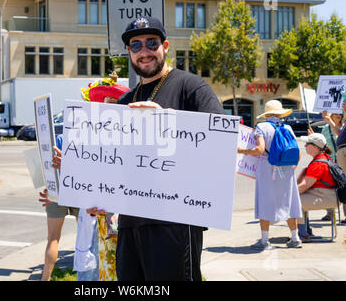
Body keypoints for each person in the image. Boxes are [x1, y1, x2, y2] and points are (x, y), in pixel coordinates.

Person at [98, 16, 226, 281]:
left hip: (176, 223)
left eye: (151, 43)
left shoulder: (191, 87)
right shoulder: (124, 102)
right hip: (130, 223)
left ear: (165, 46)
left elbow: (221, 143)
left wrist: (169, 121)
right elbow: (112, 163)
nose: (144, 51)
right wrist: (82, 176)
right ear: (128, 52)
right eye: (136, 45)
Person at [40, 75, 129, 281]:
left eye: (116, 103)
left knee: (113, 270)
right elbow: (83, 187)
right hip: (90, 221)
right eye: (106, 103)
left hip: (116, 223)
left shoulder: (125, 140)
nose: (110, 108)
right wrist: (56, 193)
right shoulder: (82, 138)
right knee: (90, 271)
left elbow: (117, 177)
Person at [237, 100, 303, 250]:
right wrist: (290, 167)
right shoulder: (287, 127)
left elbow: (259, 150)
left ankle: (265, 241)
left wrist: (242, 151)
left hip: (267, 168)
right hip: (286, 169)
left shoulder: (262, 127)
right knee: (289, 200)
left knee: (265, 200)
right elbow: (297, 154)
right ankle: (295, 238)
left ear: (267, 113)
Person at [38, 134, 79, 281]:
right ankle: (84, 275)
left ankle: (45, 278)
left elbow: (46, 166)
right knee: (84, 237)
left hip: (56, 191)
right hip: (80, 190)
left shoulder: (58, 138)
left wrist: (49, 188)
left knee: (53, 238)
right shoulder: (87, 138)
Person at [296, 133, 339, 241]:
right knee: (298, 198)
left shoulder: (318, 163)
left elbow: (304, 186)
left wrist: (287, 193)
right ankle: (306, 229)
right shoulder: (323, 158)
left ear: (315, 147)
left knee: (294, 202)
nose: (305, 146)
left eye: (307, 144)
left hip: (326, 197)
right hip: (329, 196)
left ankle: (302, 234)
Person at [308, 110, 343, 221]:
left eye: (340, 113)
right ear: (331, 114)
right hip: (331, 162)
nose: (339, 115)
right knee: (330, 186)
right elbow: (323, 146)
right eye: (336, 113)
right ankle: (330, 212)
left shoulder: (344, 127)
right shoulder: (325, 129)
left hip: (343, 160)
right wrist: (314, 138)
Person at [334, 96, 346, 225]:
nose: (342, 105)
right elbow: (339, 132)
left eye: (345, 103)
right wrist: (328, 120)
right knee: (344, 182)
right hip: (342, 150)